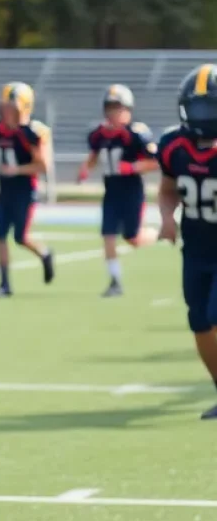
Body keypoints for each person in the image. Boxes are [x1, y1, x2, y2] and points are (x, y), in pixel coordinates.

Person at [158, 64, 217, 420]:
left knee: (215, 313)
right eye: (198, 108)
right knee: (199, 320)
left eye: (210, 107)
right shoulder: (173, 146)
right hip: (195, 247)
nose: (204, 116)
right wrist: (167, 217)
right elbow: (167, 191)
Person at [77, 85, 159, 297]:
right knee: (108, 235)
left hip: (132, 189)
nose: (114, 113)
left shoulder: (136, 134)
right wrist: (86, 169)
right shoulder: (98, 134)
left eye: (118, 108)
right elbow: (94, 154)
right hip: (111, 190)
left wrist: (132, 167)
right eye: (110, 108)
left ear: (128, 109)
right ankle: (115, 281)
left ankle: (161, 232)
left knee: (132, 238)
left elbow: (155, 162)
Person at [0, 82, 54, 297]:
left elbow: (43, 165)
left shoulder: (32, 132)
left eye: (11, 107)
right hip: (5, 189)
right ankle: (5, 284)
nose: (6, 111)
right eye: (4, 107)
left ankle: (45, 254)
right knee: (1, 235)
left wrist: (17, 170)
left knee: (21, 237)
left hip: (25, 189)